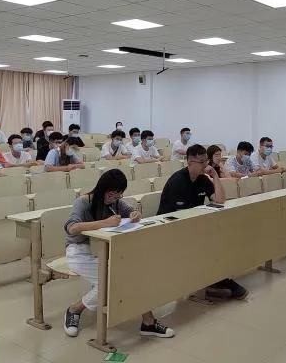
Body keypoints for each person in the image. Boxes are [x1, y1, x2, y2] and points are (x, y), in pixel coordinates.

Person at [63, 169, 175, 338]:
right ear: (103, 189)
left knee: (132, 275)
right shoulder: (83, 202)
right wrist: (105, 223)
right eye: (112, 194)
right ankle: (74, 309)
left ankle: (148, 322)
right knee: (111, 282)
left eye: (118, 195)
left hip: (105, 249)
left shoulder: (115, 202)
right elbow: (72, 228)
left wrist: (134, 214)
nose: (114, 198)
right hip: (79, 251)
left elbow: (131, 211)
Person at [157, 145, 247, 300]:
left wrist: (215, 176)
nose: (206, 165)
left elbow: (220, 200)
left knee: (218, 239)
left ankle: (214, 280)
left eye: (206, 161)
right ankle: (211, 282)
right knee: (203, 244)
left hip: (192, 225)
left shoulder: (203, 179)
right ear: (190, 162)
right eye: (202, 162)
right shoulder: (177, 181)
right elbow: (177, 216)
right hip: (170, 228)